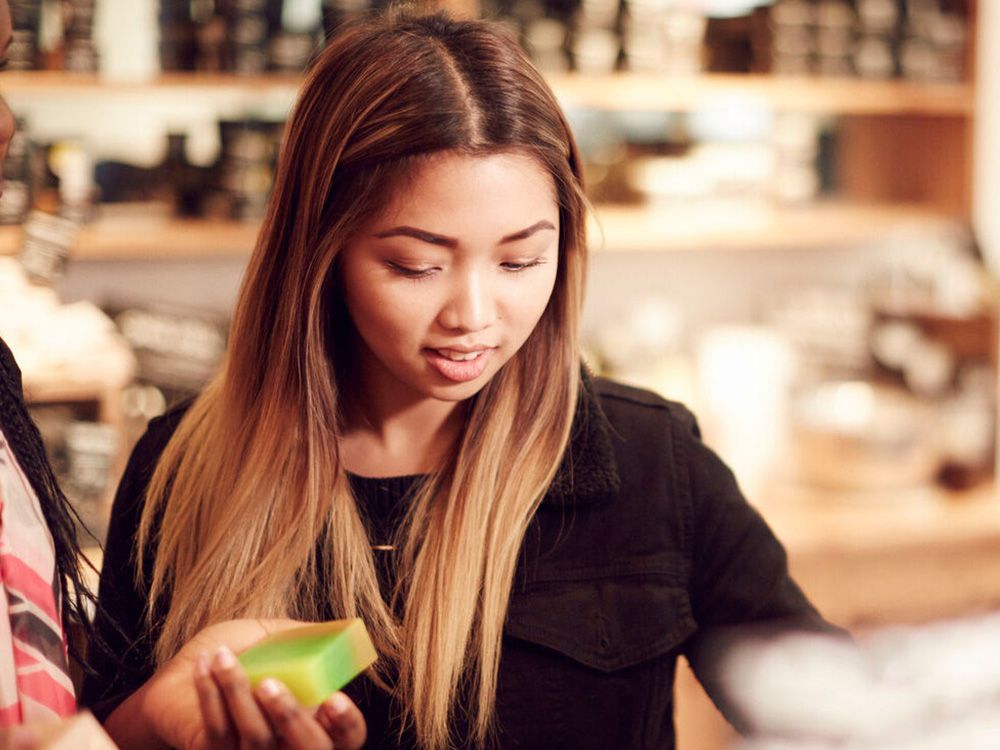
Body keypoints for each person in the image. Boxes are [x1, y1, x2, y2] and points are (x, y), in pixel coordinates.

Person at [83, 9, 835, 750]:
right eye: (417, 265)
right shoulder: (180, 473)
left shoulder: (651, 461)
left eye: (519, 261)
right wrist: (156, 721)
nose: (473, 316)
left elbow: (840, 714)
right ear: (321, 253)